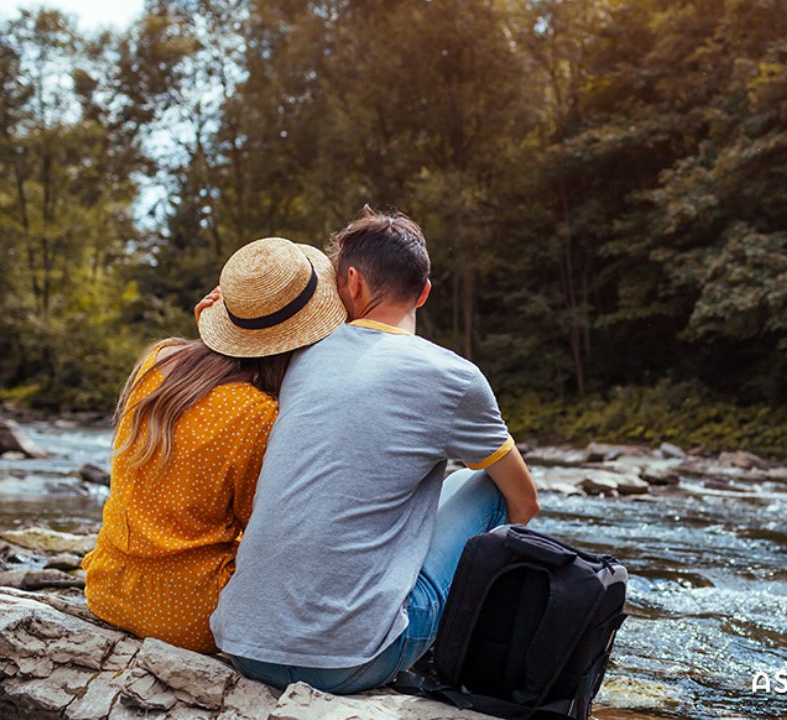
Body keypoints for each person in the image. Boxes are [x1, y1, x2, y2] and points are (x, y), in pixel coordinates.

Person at [203, 210, 540, 692]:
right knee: (482, 483)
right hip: (354, 662)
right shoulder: (455, 377)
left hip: (244, 645)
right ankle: (472, 652)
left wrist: (213, 315)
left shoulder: (301, 358)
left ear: (352, 283)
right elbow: (525, 505)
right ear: (423, 293)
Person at [82, 237, 346, 653]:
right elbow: (257, 529)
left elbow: (203, 394)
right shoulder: (259, 415)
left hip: (108, 590)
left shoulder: (159, 360)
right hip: (190, 619)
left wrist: (214, 336)